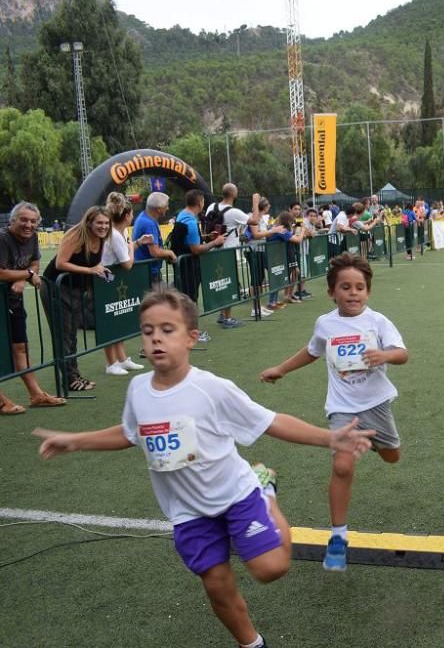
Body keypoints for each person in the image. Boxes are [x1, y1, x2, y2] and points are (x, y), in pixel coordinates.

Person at [33, 285, 375, 648]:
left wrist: (329, 437)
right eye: (148, 332)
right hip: (187, 511)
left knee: (271, 568)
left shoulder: (212, 389)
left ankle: (266, 489)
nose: (156, 340)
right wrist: (75, 440)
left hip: (236, 494)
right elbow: (131, 433)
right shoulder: (137, 390)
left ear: (191, 338)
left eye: (168, 330)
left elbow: (271, 420)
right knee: (215, 583)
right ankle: (252, 643)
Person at [260, 253, 407, 571]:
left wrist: (384, 355)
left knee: (392, 456)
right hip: (342, 409)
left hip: (377, 404)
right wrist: (281, 369)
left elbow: (402, 353)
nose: (353, 293)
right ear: (332, 292)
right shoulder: (325, 324)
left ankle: (377, 445)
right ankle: (338, 536)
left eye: (359, 287)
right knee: (342, 467)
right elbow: (312, 351)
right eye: (345, 287)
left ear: (368, 291)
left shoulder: (378, 321)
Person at [0, 202, 65, 408]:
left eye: (33, 221)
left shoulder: (32, 237)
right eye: (24, 220)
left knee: (20, 347)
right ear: (13, 221)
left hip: (13, 302)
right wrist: (28, 275)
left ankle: (36, 394)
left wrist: (22, 279)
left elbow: (35, 263)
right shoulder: (2, 239)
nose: (28, 225)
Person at [40, 206, 111, 392]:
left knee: (72, 334)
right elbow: (60, 263)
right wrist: (90, 270)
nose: (103, 226)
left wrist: (100, 269)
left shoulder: (101, 239)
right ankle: (70, 379)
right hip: (55, 287)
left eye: (106, 223)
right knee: (64, 335)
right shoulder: (76, 235)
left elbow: (94, 262)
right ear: (89, 222)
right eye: (99, 222)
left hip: (75, 289)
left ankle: (74, 375)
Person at [101, 193, 153, 376]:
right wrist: (133, 246)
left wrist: (137, 243)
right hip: (105, 282)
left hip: (114, 281)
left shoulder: (121, 232)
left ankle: (122, 359)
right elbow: (127, 263)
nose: (132, 217)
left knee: (118, 319)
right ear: (126, 215)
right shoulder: (115, 234)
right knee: (109, 322)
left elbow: (125, 254)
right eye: (131, 214)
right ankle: (111, 363)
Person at [170, 189, 226, 342]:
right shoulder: (190, 221)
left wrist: (206, 237)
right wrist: (215, 242)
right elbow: (195, 249)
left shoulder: (183, 215)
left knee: (184, 298)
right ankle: (192, 332)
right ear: (200, 202)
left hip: (182, 264)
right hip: (188, 266)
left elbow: (188, 240)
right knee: (190, 299)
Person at [205, 183, 248, 329]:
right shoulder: (234, 212)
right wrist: (255, 202)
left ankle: (222, 314)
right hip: (229, 252)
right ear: (234, 195)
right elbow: (253, 220)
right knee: (229, 284)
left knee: (222, 283)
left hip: (214, 250)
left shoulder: (211, 207)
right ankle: (227, 318)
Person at [132, 192, 177, 284]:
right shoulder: (149, 224)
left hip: (145, 271)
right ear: (159, 209)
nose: (168, 208)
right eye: (166, 206)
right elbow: (155, 252)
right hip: (149, 273)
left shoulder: (144, 216)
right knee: (163, 297)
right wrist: (170, 253)